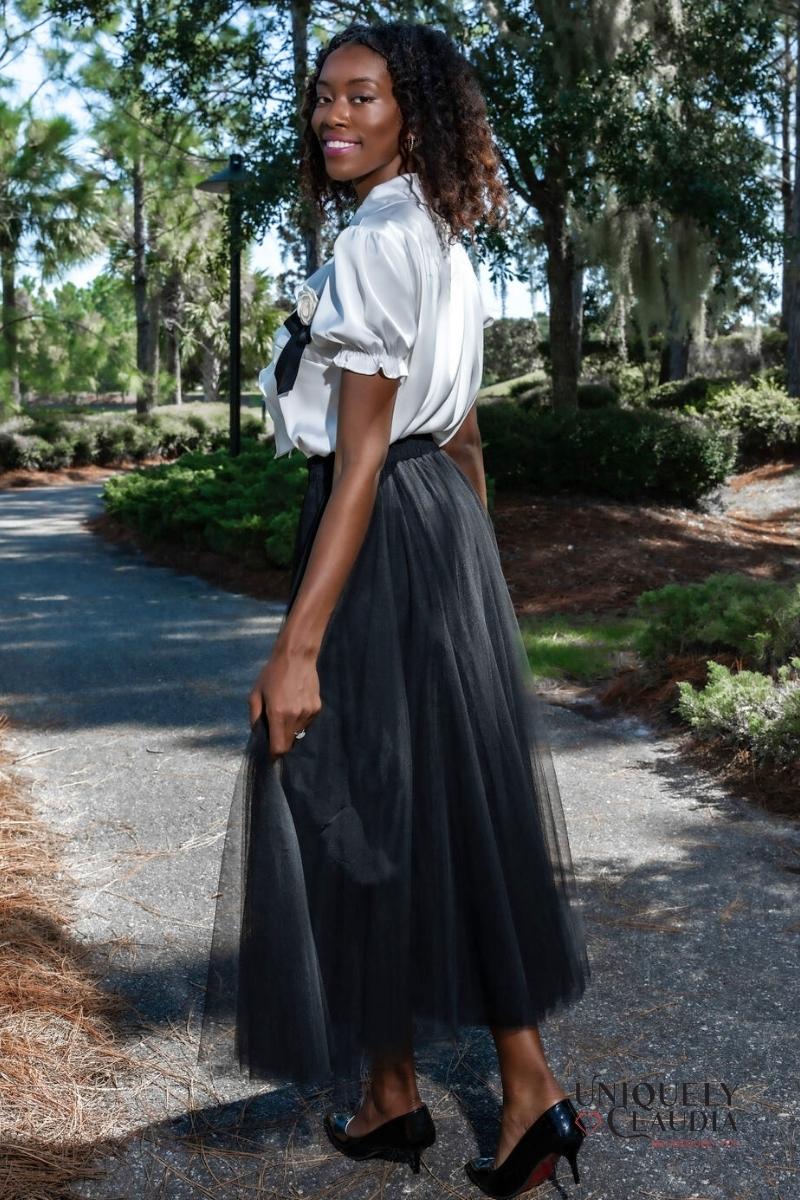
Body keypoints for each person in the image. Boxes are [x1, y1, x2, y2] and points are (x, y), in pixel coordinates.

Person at [199, 20, 592, 1198]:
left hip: (374, 529)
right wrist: (474, 578)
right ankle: (491, 1094)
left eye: (361, 97)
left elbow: (360, 457)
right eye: (323, 98)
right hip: (438, 535)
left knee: (342, 800)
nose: (333, 116)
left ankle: (413, 1092)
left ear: (409, 114)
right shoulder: (436, 231)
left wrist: (296, 646)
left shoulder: (378, 236)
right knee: (440, 809)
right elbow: (461, 434)